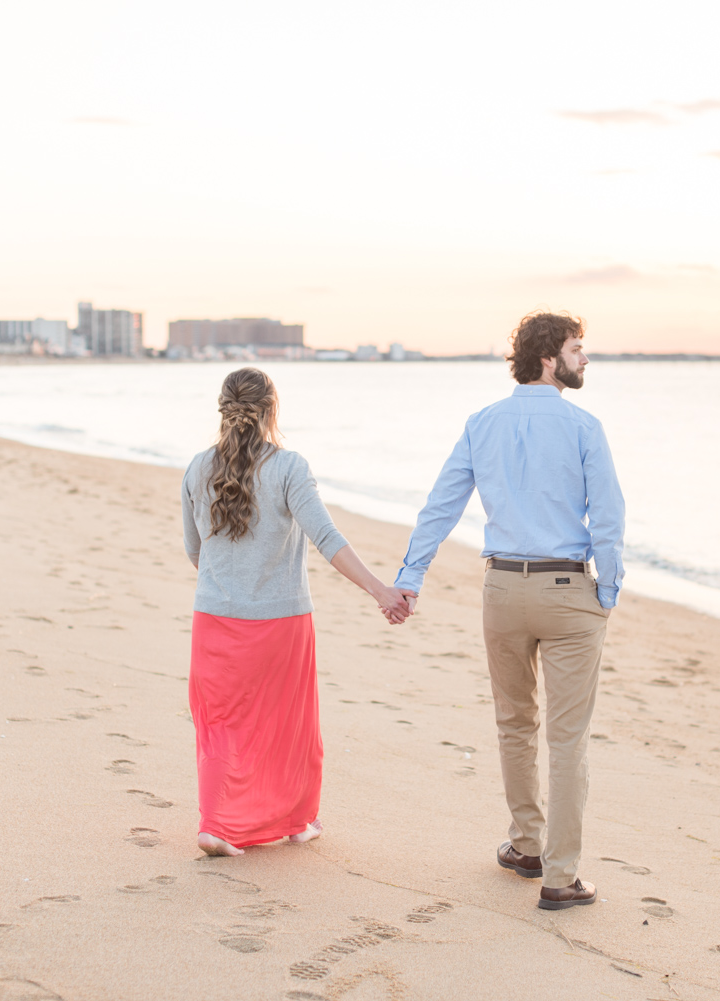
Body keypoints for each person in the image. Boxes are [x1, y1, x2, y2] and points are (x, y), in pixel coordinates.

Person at [395, 312, 624, 909]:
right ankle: (560, 876)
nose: (585, 359)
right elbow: (609, 517)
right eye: (578, 349)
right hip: (568, 591)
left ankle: (527, 845)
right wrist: (609, 591)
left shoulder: (482, 423)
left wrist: (410, 577)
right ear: (550, 357)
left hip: (502, 590)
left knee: (514, 724)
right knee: (568, 739)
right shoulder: (583, 426)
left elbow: (440, 506)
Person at [182, 367, 410, 857]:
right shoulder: (289, 468)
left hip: (215, 618)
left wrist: (229, 579)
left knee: (221, 723)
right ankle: (297, 821)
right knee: (288, 726)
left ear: (223, 409)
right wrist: (379, 590)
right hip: (280, 623)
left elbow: (194, 550)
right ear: (271, 410)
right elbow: (326, 539)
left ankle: (215, 825)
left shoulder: (197, 468)